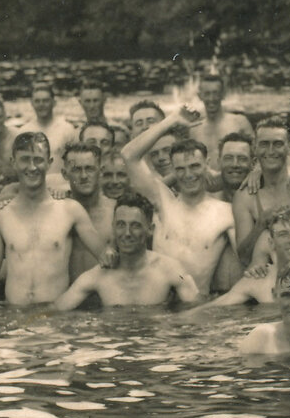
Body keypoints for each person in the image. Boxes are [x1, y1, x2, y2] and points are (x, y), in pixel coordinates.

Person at [0, 132, 105, 306]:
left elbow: (105, 257)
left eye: (38, 160)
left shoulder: (70, 210)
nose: (32, 167)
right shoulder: (0, 215)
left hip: (54, 317)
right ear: (13, 162)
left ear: (49, 163)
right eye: (25, 159)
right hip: (15, 317)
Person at [123, 109, 238, 291]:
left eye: (194, 166)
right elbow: (128, 155)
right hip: (156, 303)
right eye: (181, 169)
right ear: (173, 171)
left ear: (207, 165)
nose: (188, 175)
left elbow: (245, 262)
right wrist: (171, 121)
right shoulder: (162, 202)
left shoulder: (226, 213)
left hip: (197, 306)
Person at [54, 194, 201, 310]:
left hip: (156, 345)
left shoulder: (171, 270)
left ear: (150, 229)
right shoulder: (98, 276)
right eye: (121, 225)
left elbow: (197, 310)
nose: (127, 233)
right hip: (113, 345)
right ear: (113, 227)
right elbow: (54, 311)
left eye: (135, 225)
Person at [233, 117, 290, 265]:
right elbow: (243, 258)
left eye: (278, 144)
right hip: (266, 274)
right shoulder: (245, 196)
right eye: (264, 144)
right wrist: (260, 224)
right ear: (255, 148)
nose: (270, 151)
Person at [57, 141, 112, 277]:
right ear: (65, 173)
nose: (83, 176)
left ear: (101, 170)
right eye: (76, 170)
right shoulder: (56, 210)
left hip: (105, 295)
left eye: (89, 168)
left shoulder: (116, 211)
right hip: (67, 293)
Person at [190, 72, 254, 161]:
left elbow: (256, 156)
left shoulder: (240, 122)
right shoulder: (194, 129)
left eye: (215, 93)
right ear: (200, 96)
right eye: (207, 93)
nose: (211, 99)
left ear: (223, 94)